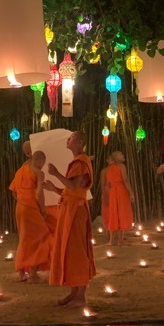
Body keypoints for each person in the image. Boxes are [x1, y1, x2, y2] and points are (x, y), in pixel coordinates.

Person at [45, 131, 95, 308]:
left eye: (72, 138)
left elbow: (74, 186)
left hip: (76, 211)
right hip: (70, 208)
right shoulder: (77, 162)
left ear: (80, 142)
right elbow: (71, 190)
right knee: (70, 250)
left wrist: (56, 173)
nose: (68, 139)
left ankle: (81, 295)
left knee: (77, 250)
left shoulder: (81, 162)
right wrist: (54, 189)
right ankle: (74, 292)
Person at [10, 148, 51, 282]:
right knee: (41, 237)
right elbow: (39, 193)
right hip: (31, 206)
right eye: (43, 162)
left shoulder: (20, 171)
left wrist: (23, 200)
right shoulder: (38, 172)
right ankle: (32, 274)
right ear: (39, 160)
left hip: (20, 206)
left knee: (24, 238)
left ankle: (22, 272)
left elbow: (14, 192)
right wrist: (43, 210)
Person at [104, 151, 135, 245]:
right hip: (121, 191)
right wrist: (131, 193)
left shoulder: (108, 169)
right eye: (121, 154)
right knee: (122, 212)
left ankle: (111, 240)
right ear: (116, 157)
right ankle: (120, 240)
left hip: (113, 192)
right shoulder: (121, 166)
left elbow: (107, 185)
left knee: (114, 213)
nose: (123, 155)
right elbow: (125, 180)